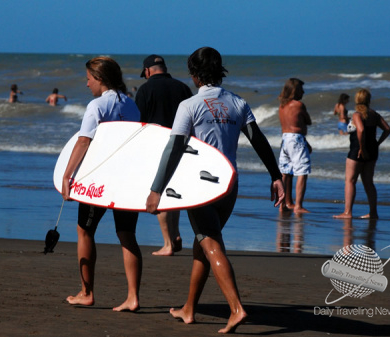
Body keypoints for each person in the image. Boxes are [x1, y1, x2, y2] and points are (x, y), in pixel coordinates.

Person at [145, 47, 285, 334]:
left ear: (195, 76)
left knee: (210, 243)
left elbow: (174, 148)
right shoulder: (238, 102)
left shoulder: (190, 105)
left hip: (199, 186)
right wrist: (276, 176)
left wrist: (157, 189)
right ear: (220, 71)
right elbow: (258, 140)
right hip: (230, 184)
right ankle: (189, 308)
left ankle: (236, 309)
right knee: (203, 244)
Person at [61, 56, 142, 312]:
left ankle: (86, 293)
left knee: (85, 231)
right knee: (127, 234)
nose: (87, 85)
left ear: (99, 79)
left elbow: (84, 141)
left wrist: (67, 175)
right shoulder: (132, 105)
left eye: (88, 79)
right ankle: (132, 297)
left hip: (100, 180)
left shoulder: (96, 106)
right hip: (127, 179)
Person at [135, 54, 193, 256]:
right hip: (182, 145)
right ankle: (176, 235)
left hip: (156, 146)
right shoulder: (183, 88)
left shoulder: (145, 89)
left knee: (158, 190)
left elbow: (138, 124)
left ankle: (167, 243)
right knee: (174, 191)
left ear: (148, 71)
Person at [333, 89, 390, 219]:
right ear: (368, 100)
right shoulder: (374, 114)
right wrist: (378, 143)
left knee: (350, 180)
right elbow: (387, 129)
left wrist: (361, 147)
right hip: (372, 151)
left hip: (357, 150)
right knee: (368, 182)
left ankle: (347, 212)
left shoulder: (357, 114)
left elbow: (361, 129)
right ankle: (373, 212)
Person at [278, 78, 312, 213]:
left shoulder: (282, 106)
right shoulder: (298, 105)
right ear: (295, 91)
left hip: (285, 139)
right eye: (301, 89)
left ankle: (284, 203)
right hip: (296, 138)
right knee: (302, 171)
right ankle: (298, 205)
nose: (303, 92)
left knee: (286, 171)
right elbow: (308, 121)